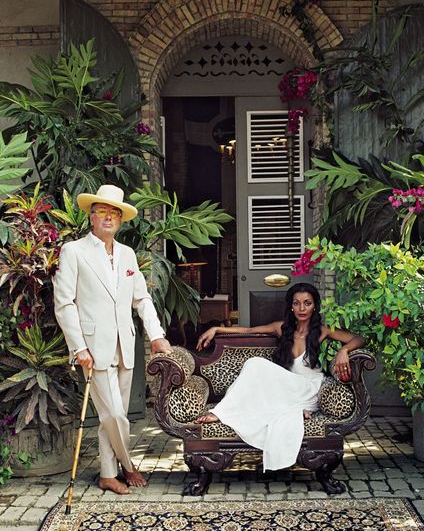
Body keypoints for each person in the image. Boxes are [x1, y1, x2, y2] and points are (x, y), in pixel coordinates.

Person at [53, 184, 172, 495]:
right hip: (93, 348)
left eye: (114, 213)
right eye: (102, 211)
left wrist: (156, 335)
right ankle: (128, 464)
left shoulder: (127, 254)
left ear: (121, 221)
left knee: (110, 416)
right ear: (91, 217)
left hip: (125, 345)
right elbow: (64, 303)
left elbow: (141, 299)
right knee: (115, 414)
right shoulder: (74, 251)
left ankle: (107, 474)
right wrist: (78, 347)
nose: (108, 217)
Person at [195, 282, 364, 472]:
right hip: (288, 389)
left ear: (314, 306)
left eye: (307, 303)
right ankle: (286, 410)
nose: (302, 308)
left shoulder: (323, 331)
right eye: (297, 303)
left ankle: (221, 412)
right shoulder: (281, 328)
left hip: (310, 389)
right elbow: (249, 331)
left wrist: (344, 350)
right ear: (291, 306)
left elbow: (359, 338)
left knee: (255, 364)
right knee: (254, 365)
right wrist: (217, 329)